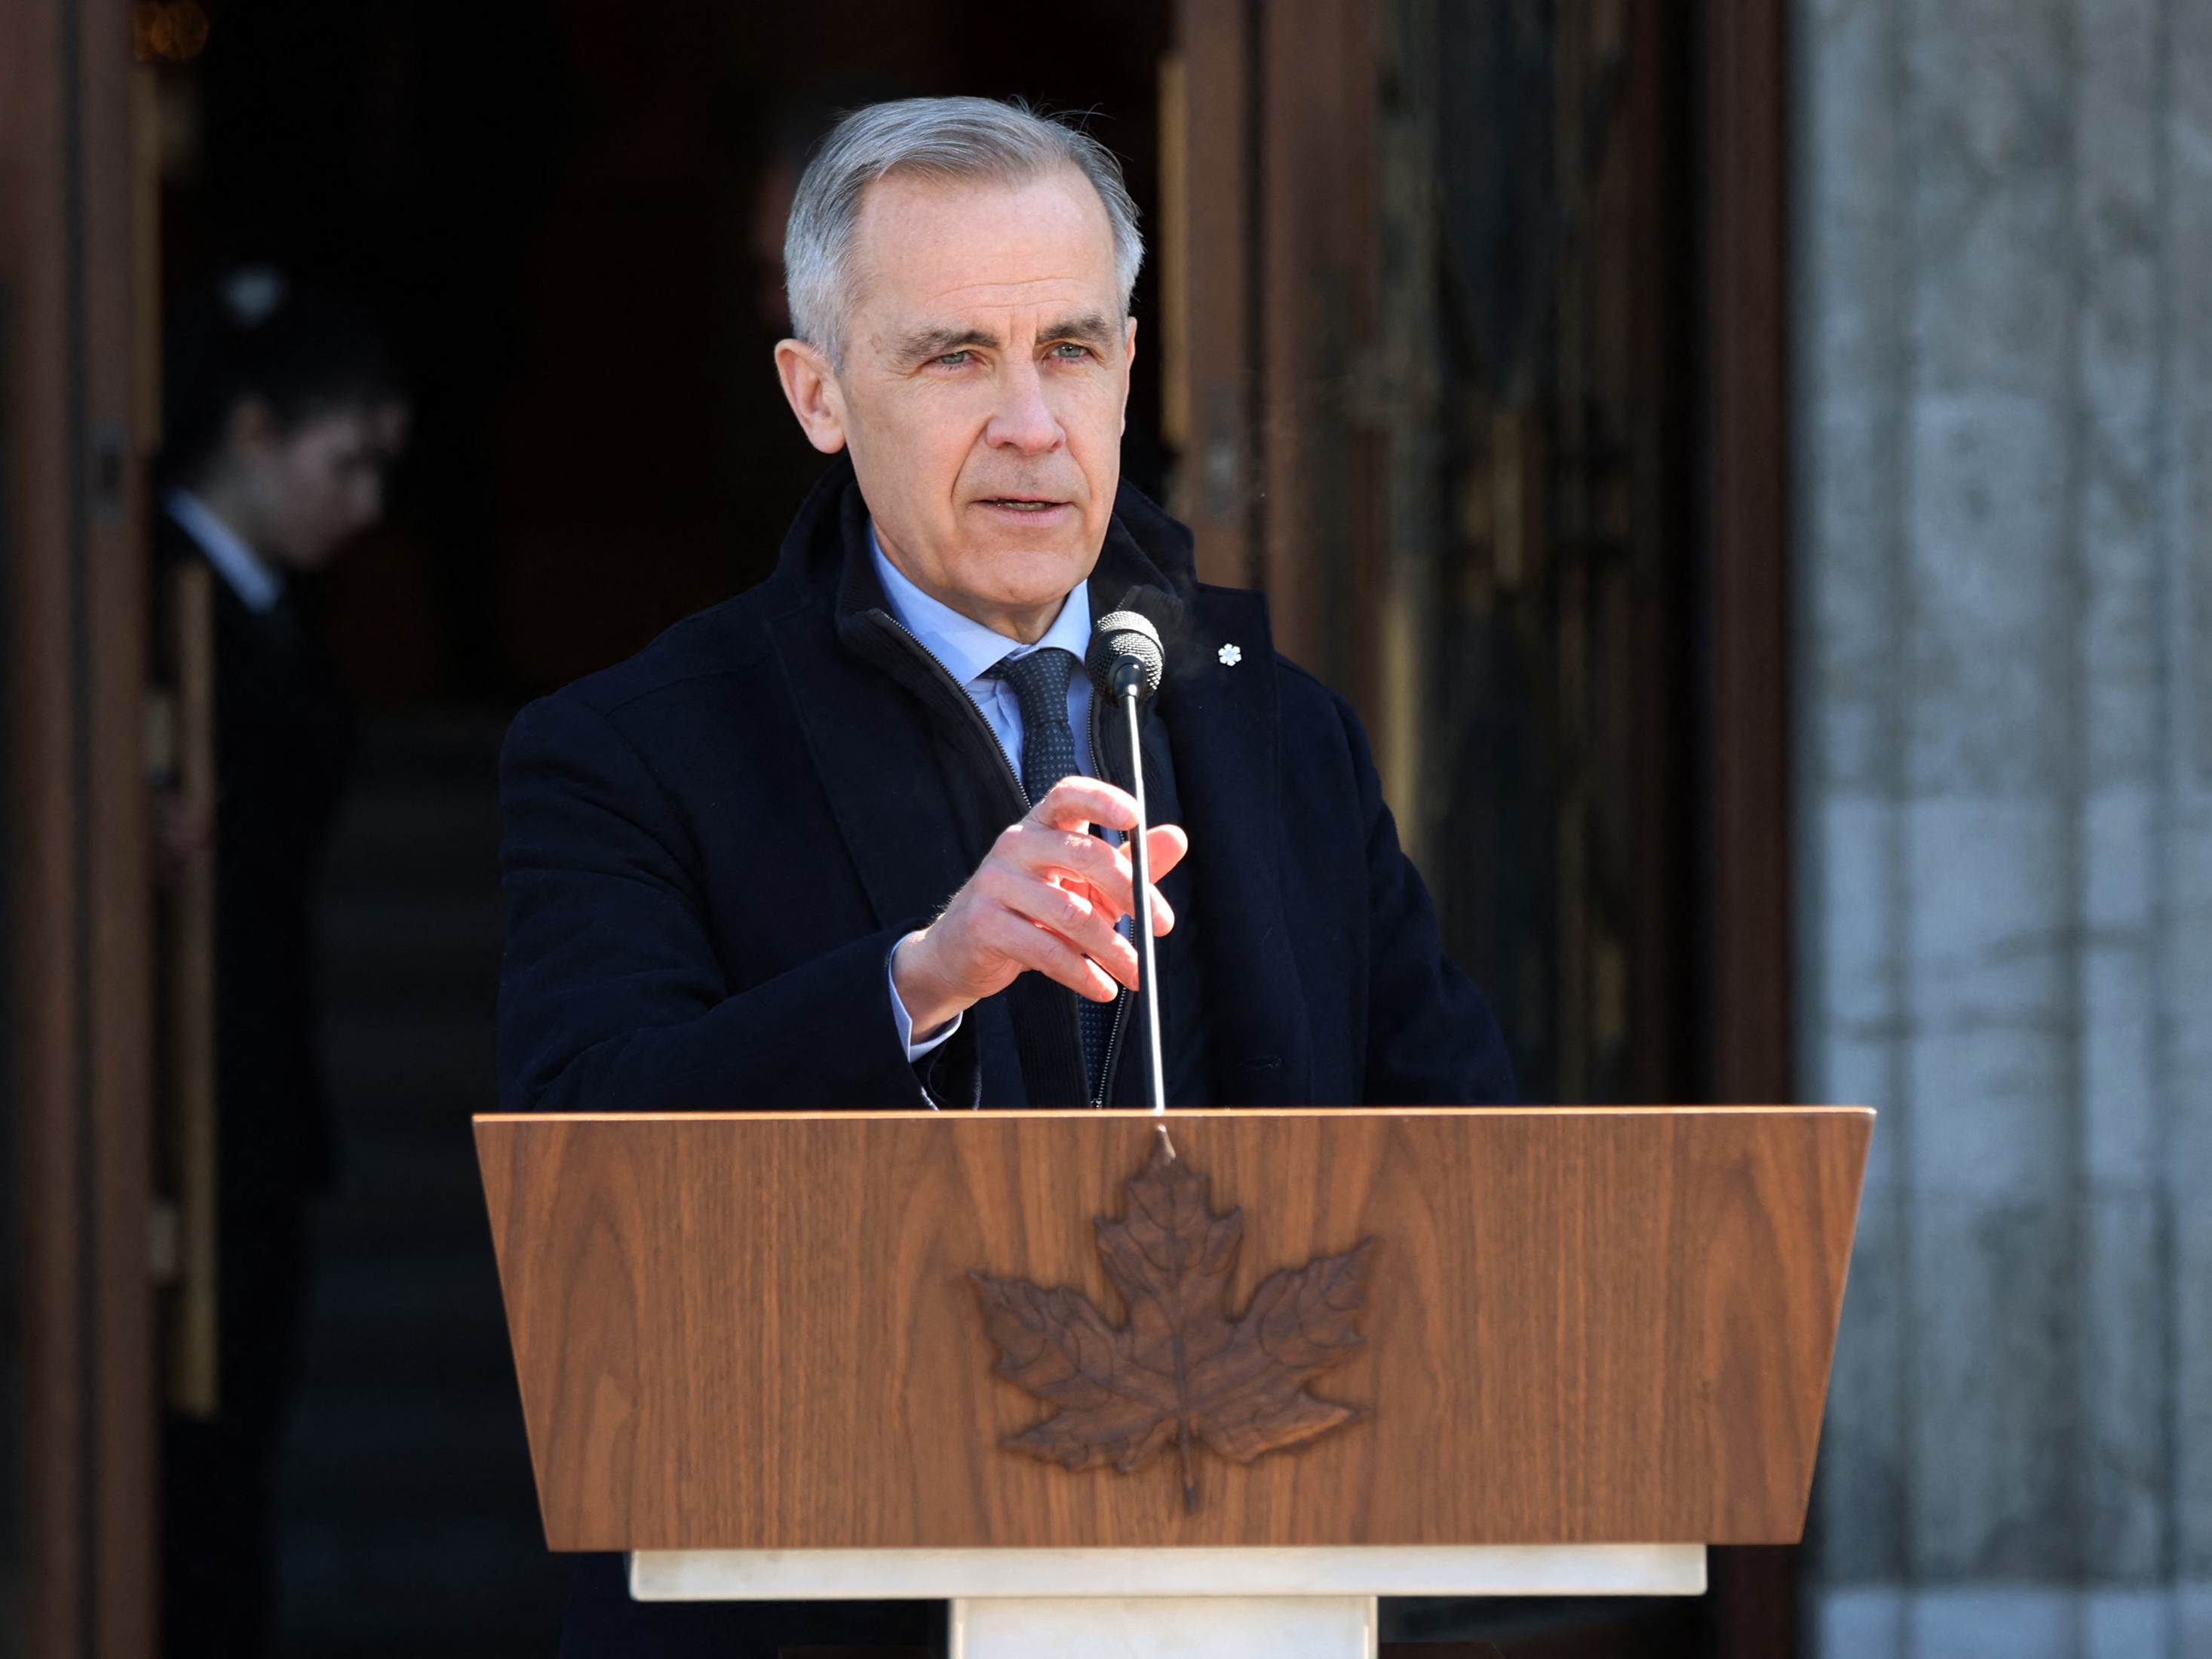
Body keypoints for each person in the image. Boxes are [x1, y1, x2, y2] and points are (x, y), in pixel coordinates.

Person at [496, 97, 1514, 1658]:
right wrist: (916, 985)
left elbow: (1469, 1164)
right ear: (818, 393)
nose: (1034, 422)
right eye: (956, 356)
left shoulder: (1275, 721)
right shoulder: (631, 751)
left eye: (1075, 348)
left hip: (1241, 1600)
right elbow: (581, 1169)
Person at [155, 266, 407, 1659]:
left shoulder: (257, 612)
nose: (367, 505)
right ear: (253, 432)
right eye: (348, 460)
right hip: (166, 1104)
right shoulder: (143, 601)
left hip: (246, 1093)